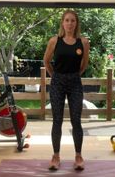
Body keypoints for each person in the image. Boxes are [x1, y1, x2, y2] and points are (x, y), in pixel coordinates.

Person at [43, 10, 89, 171]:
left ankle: (78, 156)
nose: (70, 23)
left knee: (76, 120)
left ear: (76, 23)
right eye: (67, 20)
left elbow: (84, 64)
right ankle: (56, 156)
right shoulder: (54, 41)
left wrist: (74, 75)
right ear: (62, 23)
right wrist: (56, 76)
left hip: (75, 82)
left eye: (73, 21)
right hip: (57, 83)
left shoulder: (83, 42)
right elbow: (46, 61)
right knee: (57, 121)